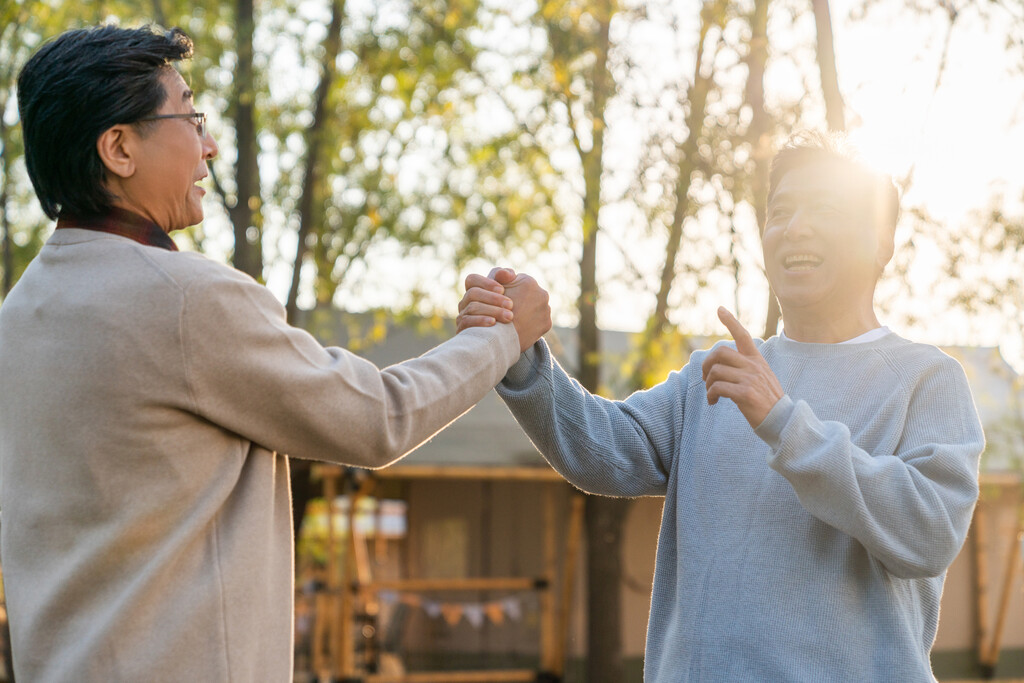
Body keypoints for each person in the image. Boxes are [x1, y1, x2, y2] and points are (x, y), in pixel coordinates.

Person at [0, 24, 551, 682]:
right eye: (188, 115)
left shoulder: (20, 315)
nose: (207, 146)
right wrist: (501, 338)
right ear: (118, 147)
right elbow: (379, 416)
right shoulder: (185, 301)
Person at [459, 132, 985, 682]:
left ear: (882, 241)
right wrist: (518, 355)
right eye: (780, 210)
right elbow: (601, 450)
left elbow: (929, 534)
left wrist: (784, 422)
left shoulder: (927, 378)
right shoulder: (712, 374)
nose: (795, 226)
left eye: (824, 208)